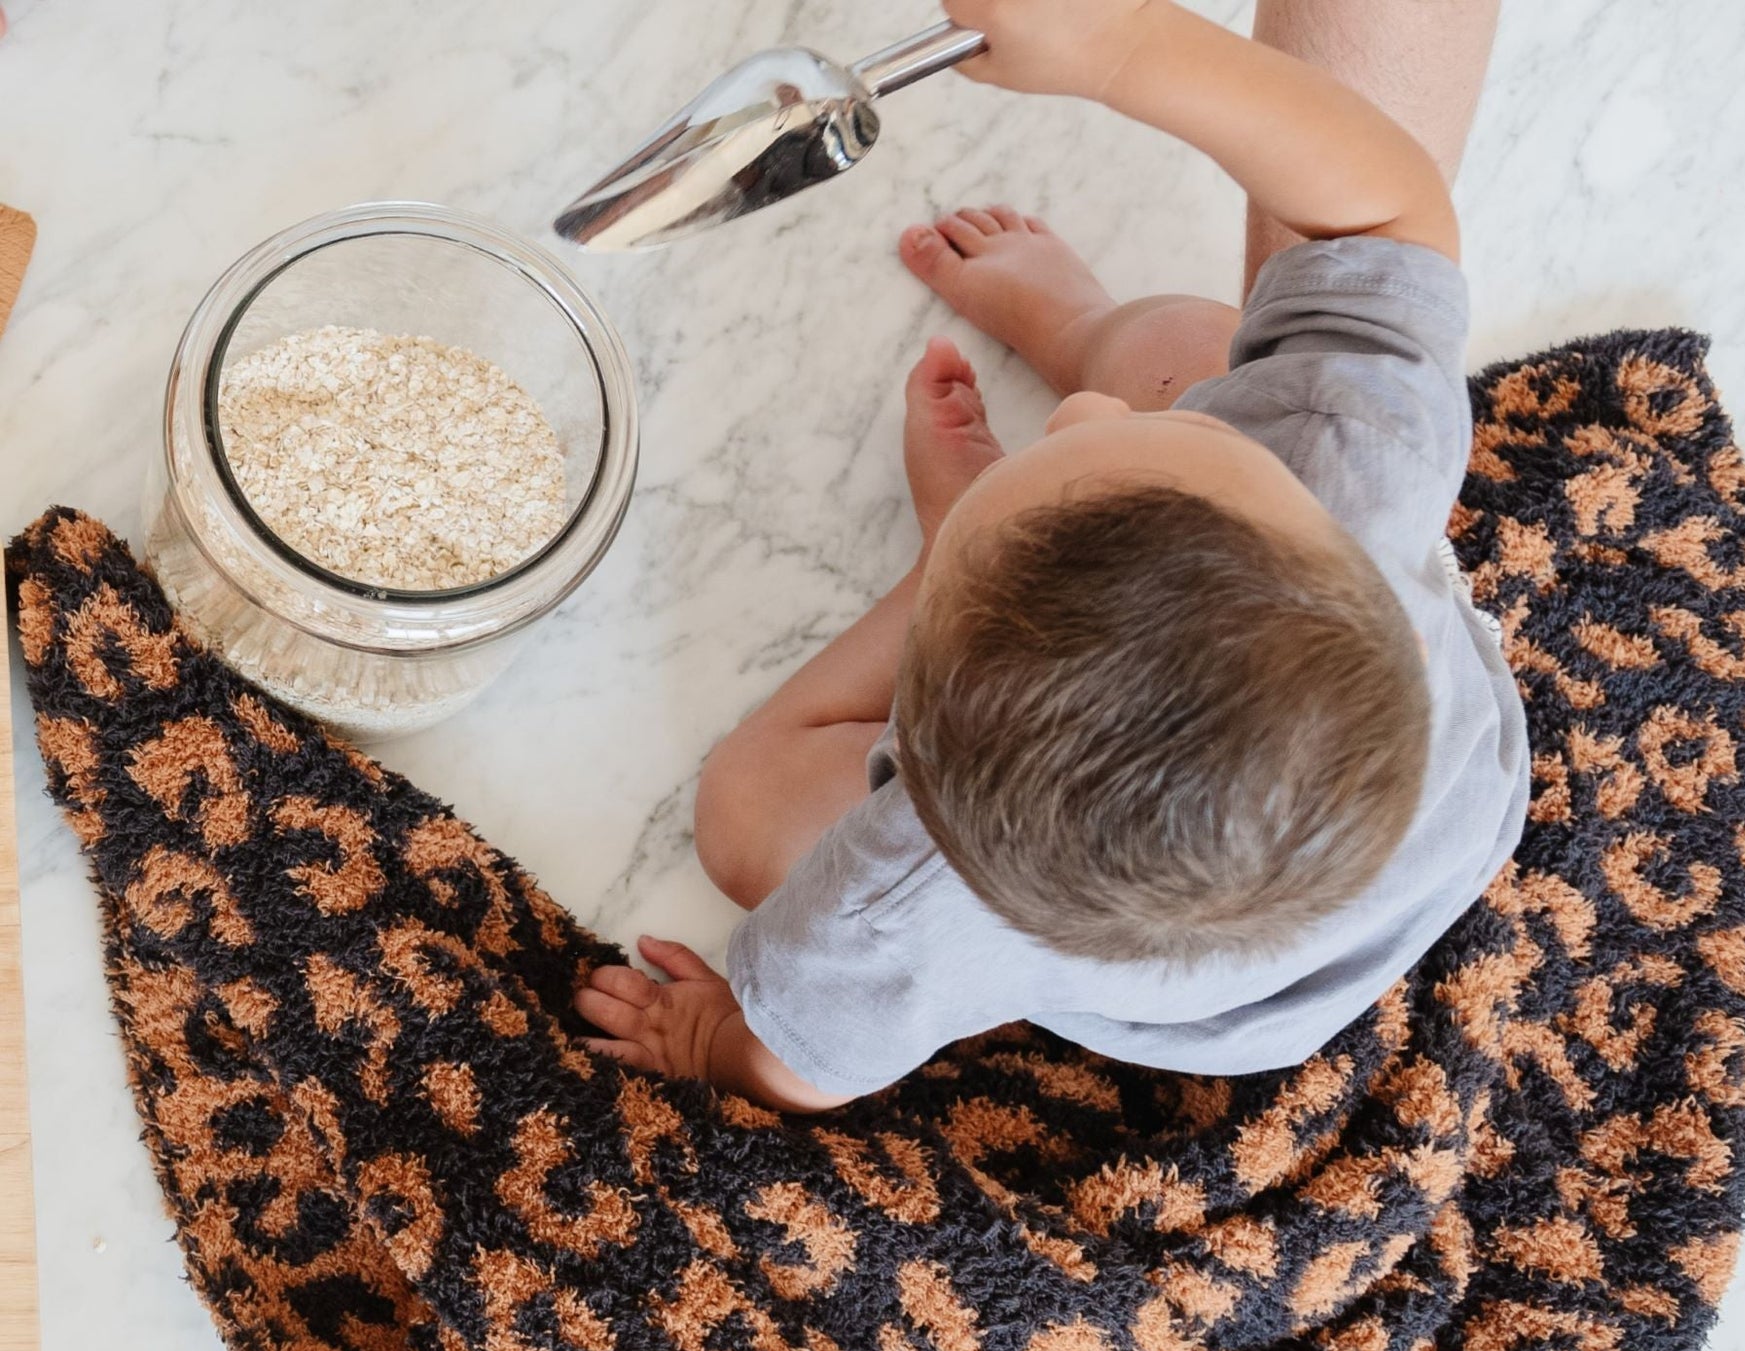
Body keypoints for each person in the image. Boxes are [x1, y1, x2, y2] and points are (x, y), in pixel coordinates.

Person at [573, 0, 1525, 1113]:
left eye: (1051, 452)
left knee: (742, 811)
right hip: (1443, 823)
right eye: (1173, 442)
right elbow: (1386, 211)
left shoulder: (907, 896)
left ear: (919, 755)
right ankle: (1058, 374)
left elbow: (806, 1059)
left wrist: (711, 1042)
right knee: (1187, 351)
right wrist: (1123, 49)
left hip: (1226, 1014)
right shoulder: (1351, 451)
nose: (1078, 409)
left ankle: (953, 555)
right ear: (1394, 630)